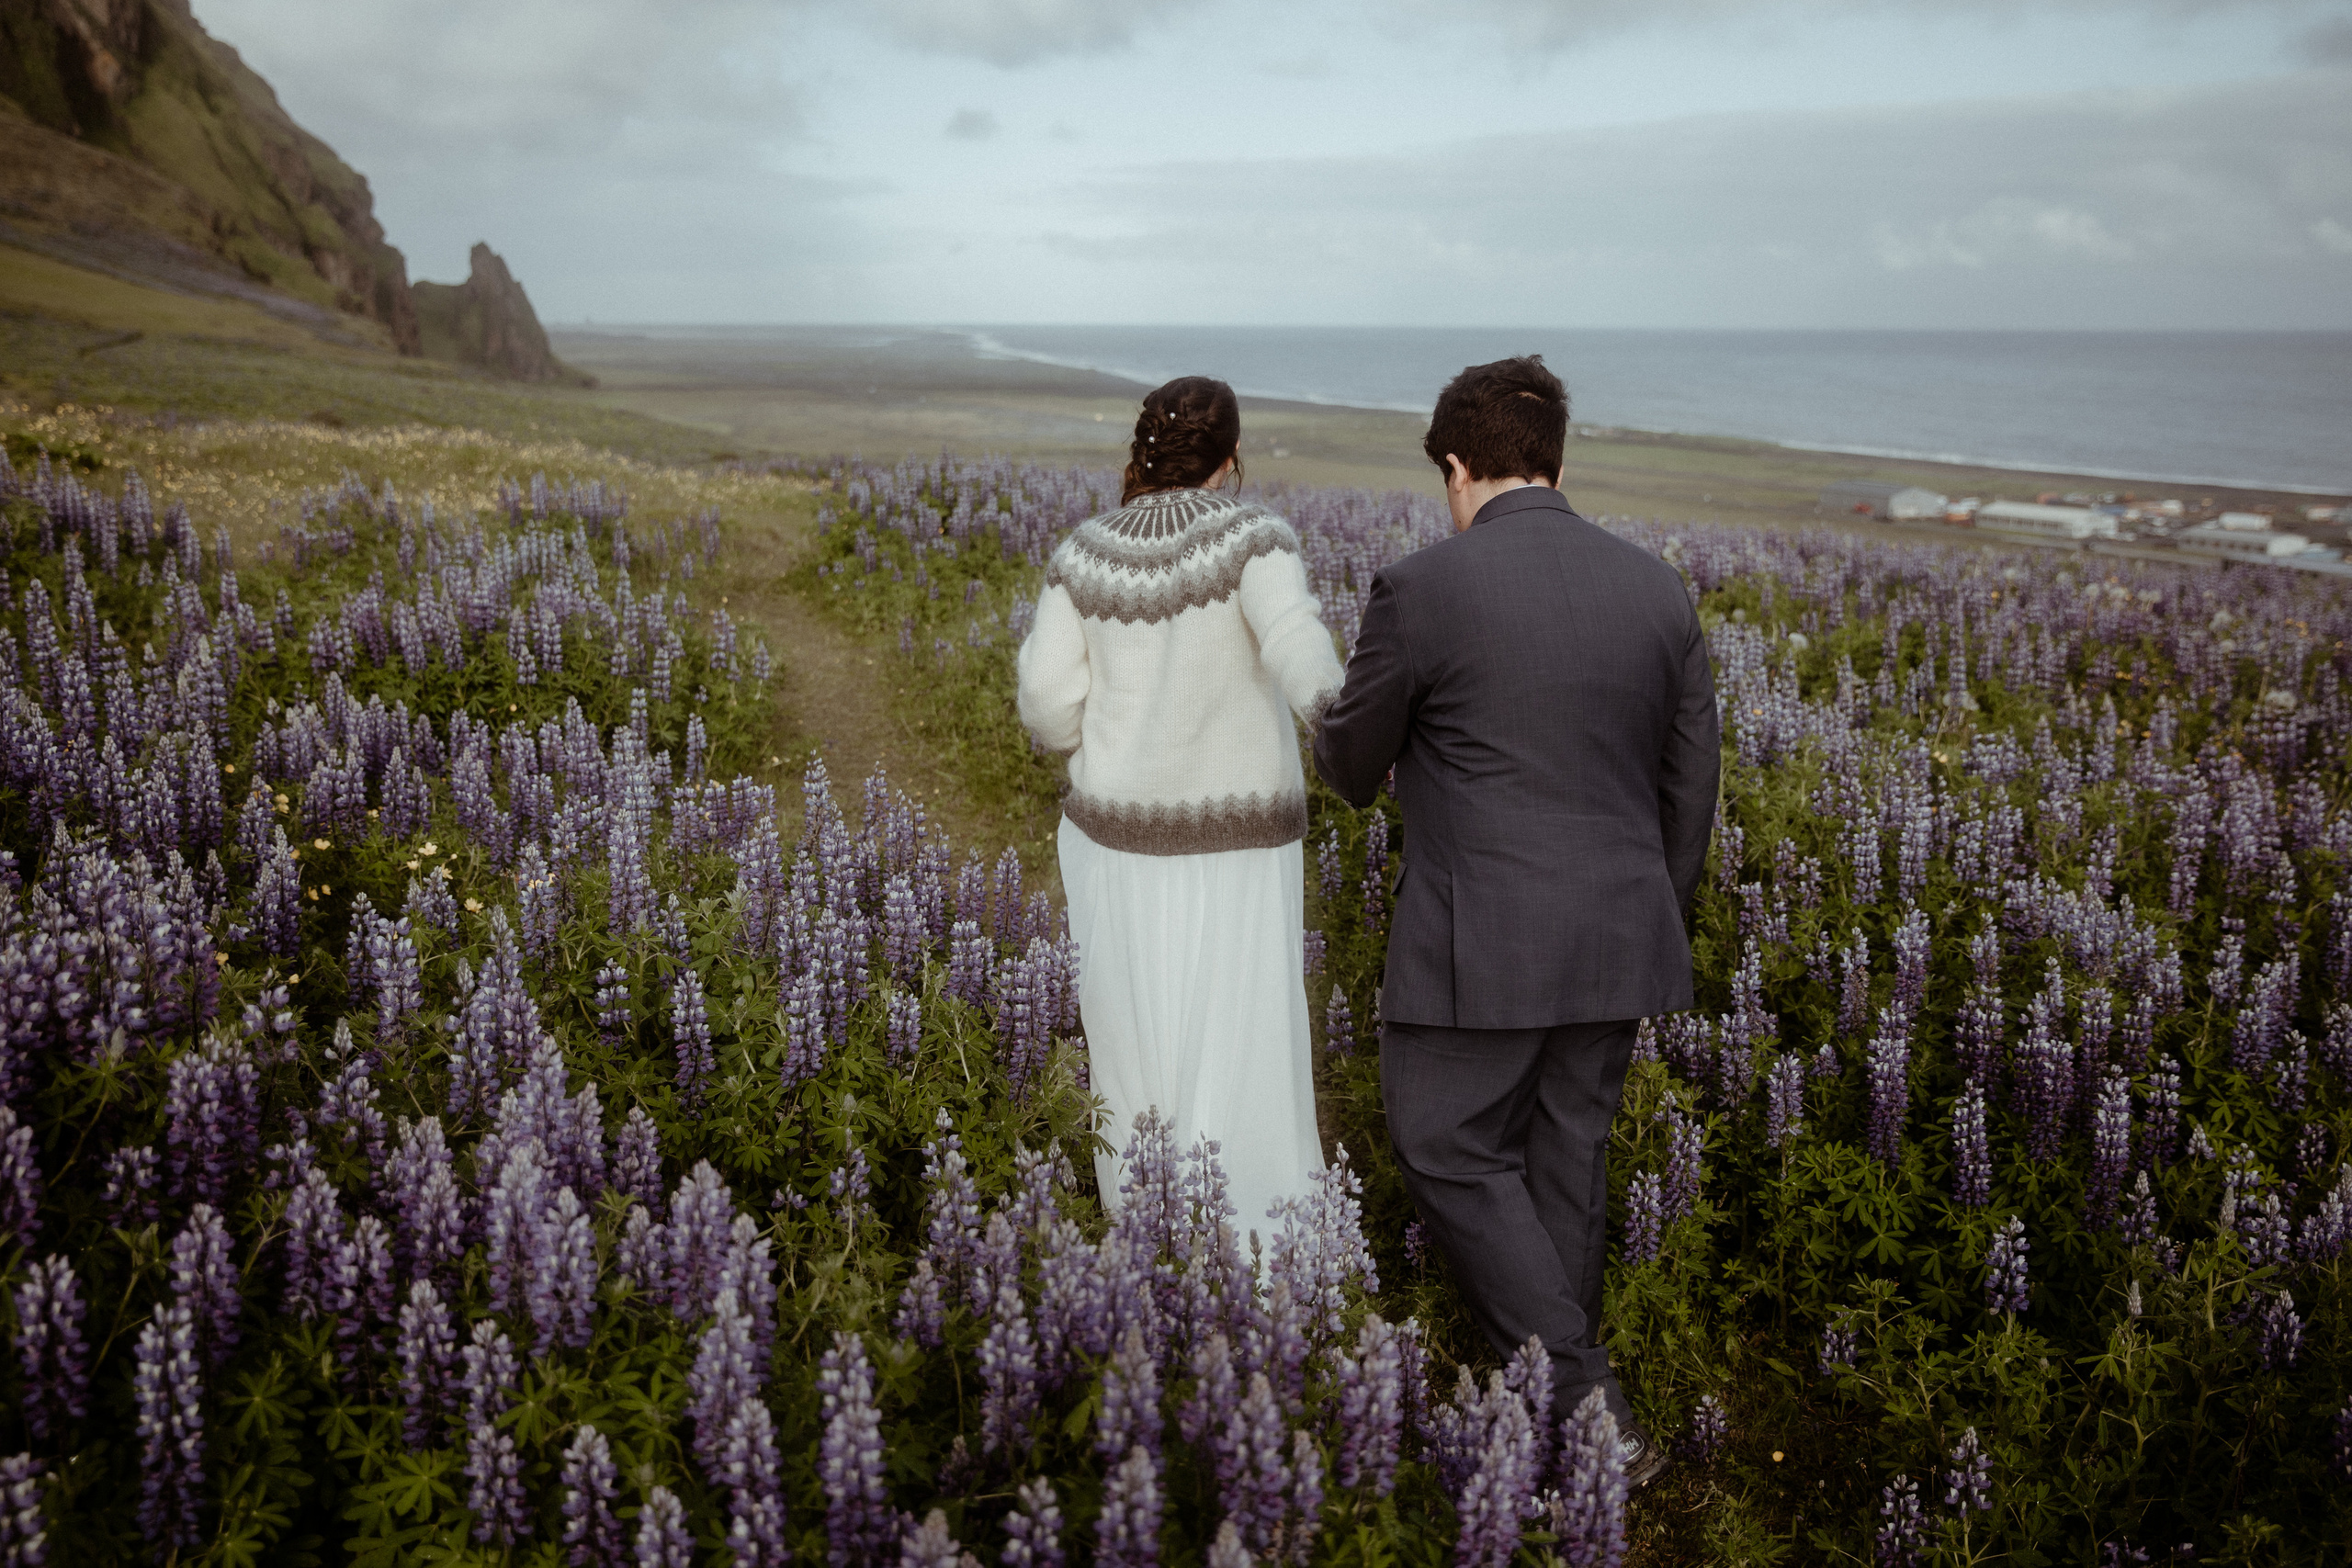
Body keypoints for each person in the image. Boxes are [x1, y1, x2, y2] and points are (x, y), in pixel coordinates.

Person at [1310, 355, 1718, 1488]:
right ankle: (1548, 1404)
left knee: (1445, 1143)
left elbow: (1350, 765)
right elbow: (1692, 791)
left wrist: (1323, 714)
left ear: (1457, 464)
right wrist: (1644, 907)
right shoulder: (1656, 589)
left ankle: (1586, 1409)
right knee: (1563, 1164)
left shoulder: (1424, 588)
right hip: (1621, 931)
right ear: (1550, 459)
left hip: (1475, 939)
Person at [1016, 375, 1343, 1236]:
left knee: (1130, 1030)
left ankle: (1150, 1230)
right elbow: (1297, 640)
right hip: (1242, 842)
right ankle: (1262, 1244)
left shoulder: (1083, 553)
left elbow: (1047, 701)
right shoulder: (1256, 540)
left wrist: (1111, 748)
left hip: (1116, 842)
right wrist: (1338, 719)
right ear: (1229, 458)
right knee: (1242, 1032)